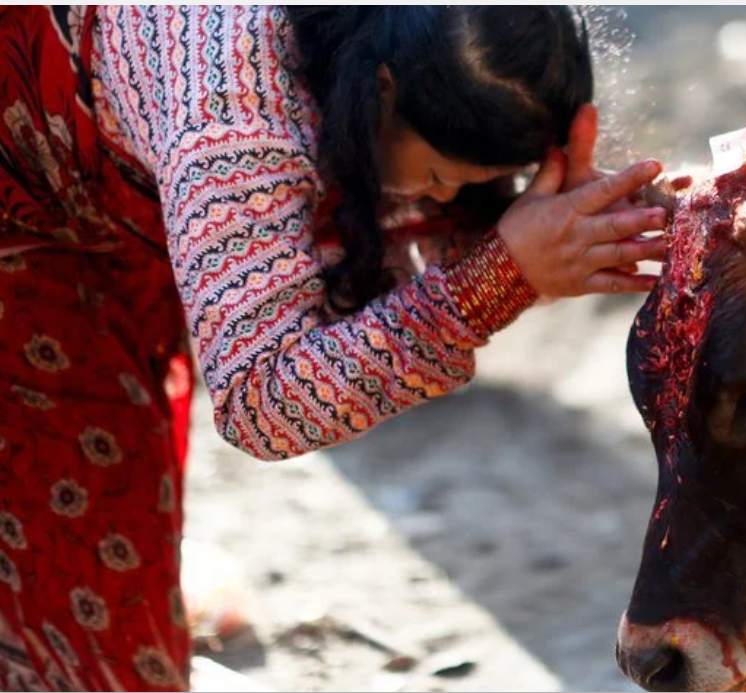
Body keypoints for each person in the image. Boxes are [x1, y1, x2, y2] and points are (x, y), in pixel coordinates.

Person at [0, 6, 666, 690]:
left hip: (97, 198)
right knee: (87, 635)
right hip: (24, 237)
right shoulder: (236, 123)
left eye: (474, 184)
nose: (443, 197)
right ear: (380, 87)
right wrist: (498, 277)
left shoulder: (382, 35)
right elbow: (261, 397)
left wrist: (561, 230)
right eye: (439, 174)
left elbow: (380, 244)